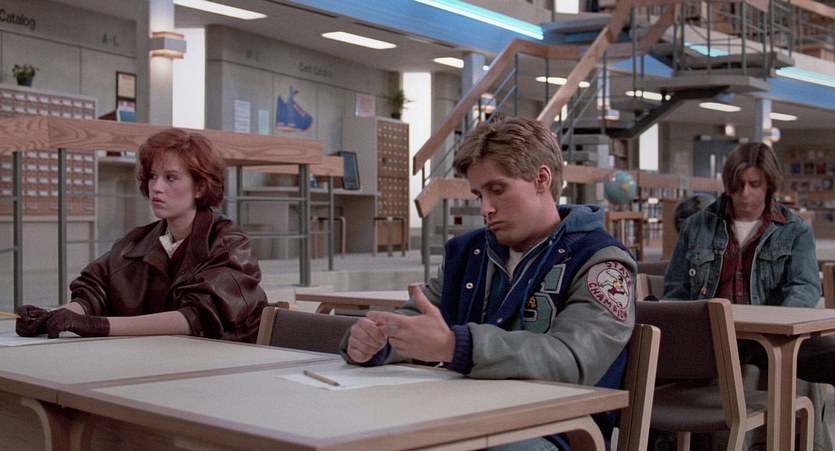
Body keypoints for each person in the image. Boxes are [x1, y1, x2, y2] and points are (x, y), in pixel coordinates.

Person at [340, 117, 636, 450]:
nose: (485, 208)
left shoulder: (602, 261)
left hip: (554, 431)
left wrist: (456, 346)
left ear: (541, 179)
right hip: (466, 415)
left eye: (497, 190)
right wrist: (377, 342)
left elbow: (574, 359)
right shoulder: (468, 253)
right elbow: (417, 323)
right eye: (478, 194)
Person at [15, 128, 268, 343]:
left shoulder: (231, 245)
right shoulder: (137, 242)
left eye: (170, 178)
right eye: (153, 176)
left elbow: (194, 318)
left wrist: (95, 325)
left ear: (200, 187)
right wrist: (53, 317)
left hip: (224, 368)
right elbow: (95, 292)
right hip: (158, 362)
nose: (156, 187)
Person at [664, 141, 834, 450]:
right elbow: (675, 290)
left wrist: (775, 322)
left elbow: (805, 286)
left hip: (771, 335)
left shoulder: (794, 229)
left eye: (754, 185)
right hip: (713, 337)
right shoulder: (697, 226)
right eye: (737, 185)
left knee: (814, 355)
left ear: (769, 185)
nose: (745, 193)